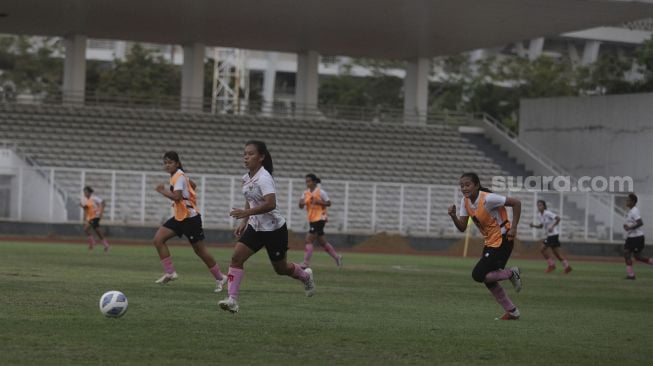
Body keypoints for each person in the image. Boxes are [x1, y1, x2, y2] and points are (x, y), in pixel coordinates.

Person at [218, 140, 315, 314]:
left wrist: (246, 213)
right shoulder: (246, 178)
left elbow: (270, 204)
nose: (246, 157)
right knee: (236, 258)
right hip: (256, 228)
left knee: (281, 269)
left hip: (274, 230)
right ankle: (232, 300)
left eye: (251, 154)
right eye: (245, 154)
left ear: (261, 157)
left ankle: (306, 276)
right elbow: (249, 198)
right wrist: (244, 221)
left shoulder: (264, 178)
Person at [448, 172, 523, 320]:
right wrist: (453, 216)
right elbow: (462, 227)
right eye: (462, 185)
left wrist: (513, 227)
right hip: (490, 242)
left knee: (478, 274)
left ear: (476, 185)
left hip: (503, 239)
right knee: (487, 279)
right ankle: (512, 311)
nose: (464, 188)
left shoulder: (488, 198)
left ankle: (511, 273)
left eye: (467, 184)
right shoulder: (465, 201)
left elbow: (516, 203)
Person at [152, 151, 227, 293]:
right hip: (180, 217)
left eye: (170, 162)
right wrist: (187, 185)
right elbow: (194, 185)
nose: (167, 165)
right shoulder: (179, 176)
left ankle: (220, 278)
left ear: (177, 163)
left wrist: (161, 191)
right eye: (165, 163)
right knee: (158, 239)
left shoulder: (178, 176)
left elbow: (177, 196)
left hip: (191, 219)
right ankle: (170, 273)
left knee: (200, 250)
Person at [299, 173, 342, 269]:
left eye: (309, 181)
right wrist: (302, 203)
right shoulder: (305, 193)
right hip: (312, 218)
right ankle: (337, 257)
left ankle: (305, 263)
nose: (307, 183)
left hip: (320, 218)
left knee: (308, 239)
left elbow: (329, 203)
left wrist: (319, 202)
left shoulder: (321, 192)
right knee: (322, 242)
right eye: (306, 181)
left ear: (314, 182)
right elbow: (300, 205)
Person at [529, 200, 572, 274]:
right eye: (538, 205)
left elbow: (558, 218)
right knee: (556, 253)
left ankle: (551, 265)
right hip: (550, 235)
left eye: (540, 205)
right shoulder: (540, 215)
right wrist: (533, 226)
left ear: (544, 206)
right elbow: (541, 226)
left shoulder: (547, 213)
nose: (539, 207)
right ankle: (567, 266)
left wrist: (552, 226)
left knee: (542, 249)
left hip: (553, 235)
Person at [623, 193, 652, 280]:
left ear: (633, 201)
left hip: (637, 238)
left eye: (628, 200)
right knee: (627, 253)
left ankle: (631, 275)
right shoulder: (631, 211)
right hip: (631, 237)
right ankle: (631, 275)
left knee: (637, 257)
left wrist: (629, 227)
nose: (626, 202)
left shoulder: (635, 211)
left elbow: (640, 222)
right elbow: (633, 223)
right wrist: (627, 227)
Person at [80, 186, 109, 252]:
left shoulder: (94, 198)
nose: (85, 193)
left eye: (86, 192)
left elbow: (103, 203)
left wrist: (101, 212)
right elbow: (86, 209)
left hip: (96, 216)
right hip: (90, 217)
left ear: (90, 192)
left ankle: (94, 243)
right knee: (95, 230)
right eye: (84, 192)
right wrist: (83, 208)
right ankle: (104, 244)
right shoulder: (84, 200)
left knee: (88, 229)